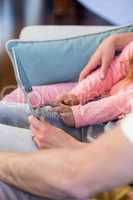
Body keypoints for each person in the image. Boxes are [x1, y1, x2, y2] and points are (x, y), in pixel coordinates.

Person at [0, 32, 133, 199]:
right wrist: (76, 96)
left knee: (36, 122)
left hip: (100, 136)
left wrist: (78, 115)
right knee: (12, 111)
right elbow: (109, 74)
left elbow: (122, 102)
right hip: (97, 123)